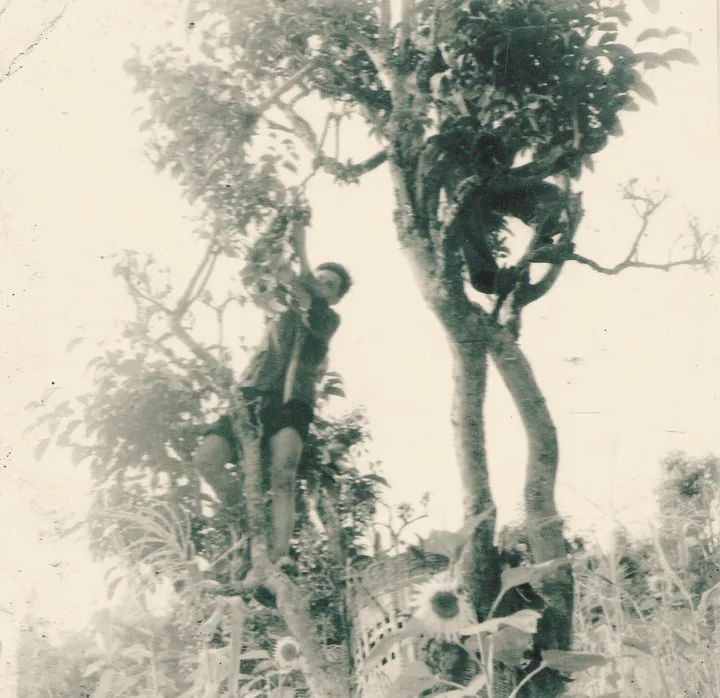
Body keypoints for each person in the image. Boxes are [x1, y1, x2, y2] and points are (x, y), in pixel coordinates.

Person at [192, 223, 352, 562]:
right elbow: (261, 269)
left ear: (336, 296)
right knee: (206, 459)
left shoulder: (328, 319)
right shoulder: (279, 305)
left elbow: (307, 289)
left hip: (291, 401)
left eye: (330, 285)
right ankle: (255, 524)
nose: (321, 285)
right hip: (251, 392)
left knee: (283, 474)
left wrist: (301, 243)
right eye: (320, 278)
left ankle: (279, 555)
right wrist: (280, 229)